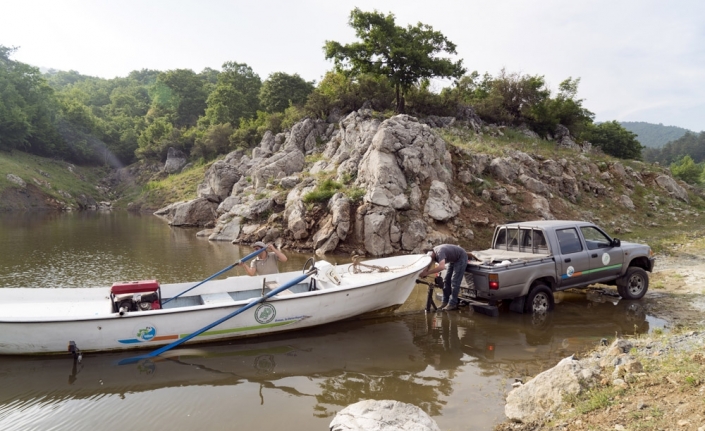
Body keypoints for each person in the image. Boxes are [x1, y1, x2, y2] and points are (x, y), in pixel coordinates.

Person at [419, 244, 468, 311]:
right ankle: (445, 302)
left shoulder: (439, 253)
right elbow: (429, 263)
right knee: (446, 280)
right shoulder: (433, 254)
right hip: (453, 259)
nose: (431, 260)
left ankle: (452, 303)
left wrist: (427, 273)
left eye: (431, 258)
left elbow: (442, 267)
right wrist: (425, 271)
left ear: (432, 253)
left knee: (455, 281)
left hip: (461, 257)